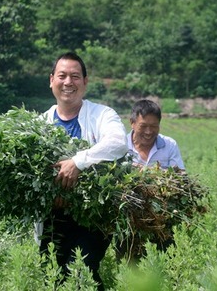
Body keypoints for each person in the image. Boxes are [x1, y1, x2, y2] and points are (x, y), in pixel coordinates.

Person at [37, 52, 128, 291]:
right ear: (51, 80)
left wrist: (78, 162)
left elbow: (118, 143)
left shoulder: (102, 115)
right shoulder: (40, 124)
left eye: (75, 76)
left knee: (78, 273)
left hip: (94, 215)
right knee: (51, 277)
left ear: (85, 82)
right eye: (62, 76)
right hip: (54, 217)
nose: (68, 82)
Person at [116, 99, 185, 261]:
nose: (148, 132)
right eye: (143, 126)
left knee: (167, 262)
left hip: (163, 219)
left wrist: (146, 171)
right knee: (129, 264)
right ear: (132, 123)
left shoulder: (169, 145)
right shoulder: (119, 145)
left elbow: (181, 177)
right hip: (129, 219)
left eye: (154, 127)